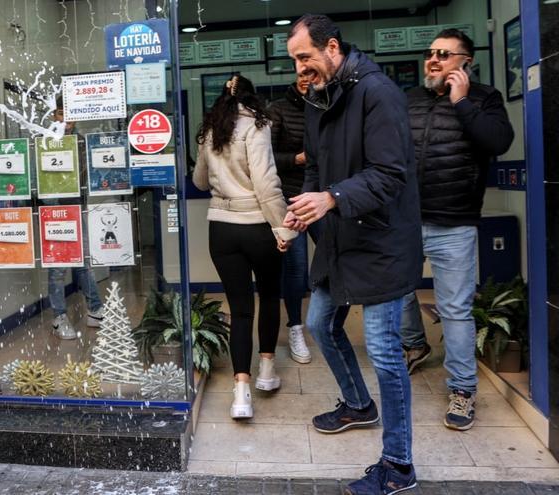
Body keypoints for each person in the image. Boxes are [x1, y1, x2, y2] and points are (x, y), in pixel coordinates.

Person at [283, 15, 422, 494]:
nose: (300, 68)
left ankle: (399, 464)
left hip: (382, 243)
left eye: (305, 57)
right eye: (295, 60)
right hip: (340, 239)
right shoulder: (319, 99)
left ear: (333, 48)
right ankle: (359, 405)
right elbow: (315, 170)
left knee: (384, 351)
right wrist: (300, 213)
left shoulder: (378, 93)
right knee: (321, 324)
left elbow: (391, 174)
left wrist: (331, 199)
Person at [401, 28, 514, 431]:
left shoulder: (484, 99)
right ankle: (414, 345)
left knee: (454, 310)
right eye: (431, 52)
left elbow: (498, 141)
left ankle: (463, 390)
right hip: (406, 220)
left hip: (455, 223)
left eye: (445, 54)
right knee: (396, 293)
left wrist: (462, 102)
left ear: (465, 61)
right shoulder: (410, 99)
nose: (434, 59)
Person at [193, 75, 296, 419]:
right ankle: (266, 372)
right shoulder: (257, 125)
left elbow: (199, 180)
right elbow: (267, 183)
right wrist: (282, 228)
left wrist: (221, 173)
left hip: (221, 229)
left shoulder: (210, 130)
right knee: (268, 296)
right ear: (252, 96)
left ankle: (240, 394)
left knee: (239, 310)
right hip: (257, 227)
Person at [267, 74, 315, 365]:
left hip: (325, 197)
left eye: (311, 72)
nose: (306, 78)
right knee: (295, 268)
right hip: (291, 199)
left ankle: (327, 323)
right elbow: (266, 156)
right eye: (301, 73)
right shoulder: (279, 109)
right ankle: (296, 327)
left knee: (337, 258)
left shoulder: (330, 105)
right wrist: (296, 159)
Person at [47, 97, 103, 340]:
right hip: (53, 211)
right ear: (53, 115)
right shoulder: (45, 140)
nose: (67, 120)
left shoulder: (80, 142)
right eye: (61, 114)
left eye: (70, 115)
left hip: (76, 208)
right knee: (58, 267)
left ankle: (95, 310)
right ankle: (59, 316)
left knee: (83, 262)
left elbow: (84, 176)